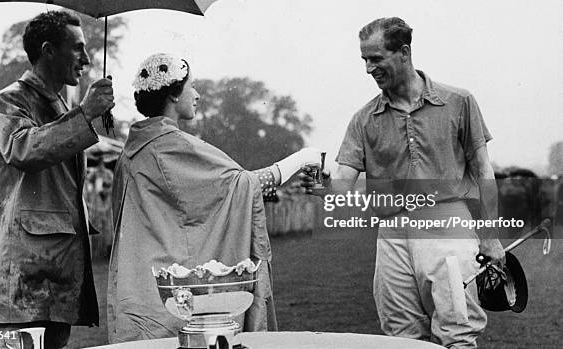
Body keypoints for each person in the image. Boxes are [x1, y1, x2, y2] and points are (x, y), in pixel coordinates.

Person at [301, 17, 505, 348]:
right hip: (392, 237)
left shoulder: (458, 102)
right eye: (364, 60)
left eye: (376, 58)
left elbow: (483, 170)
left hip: (448, 229)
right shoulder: (364, 119)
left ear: (405, 52)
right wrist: (321, 186)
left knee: (458, 331)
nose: (369, 69)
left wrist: (490, 237)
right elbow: (343, 184)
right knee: (401, 338)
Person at [107, 53, 322, 342]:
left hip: (137, 288)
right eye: (191, 86)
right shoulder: (169, 147)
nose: (196, 95)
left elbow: (205, 204)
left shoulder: (132, 150)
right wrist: (303, 158)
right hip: (168, 298)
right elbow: (241, 187)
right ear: (173, 93)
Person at [0, 10, 115, 349]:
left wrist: (84, 114)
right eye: (77, 48)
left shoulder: (60, 104)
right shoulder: (8, 101)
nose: (86, 59)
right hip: (21, 275)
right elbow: (24, 150)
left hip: (54, 271)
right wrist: (85, 114)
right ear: (48, 50)